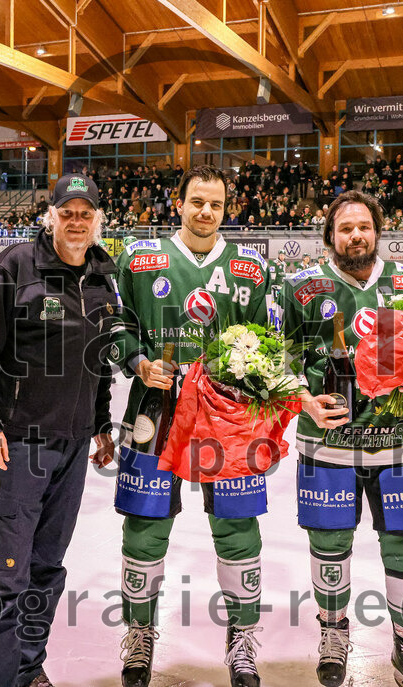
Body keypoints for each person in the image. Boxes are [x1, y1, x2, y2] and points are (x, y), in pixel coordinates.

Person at [111, 165, 271, 687]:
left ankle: (242, 640)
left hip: (227, 416)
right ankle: (139, 638)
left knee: (237, 525)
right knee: (144, 526)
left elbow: (266, 344)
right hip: (154, 411)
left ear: (228, 210)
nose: (206, 212)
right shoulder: (139, 259)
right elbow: (116, 327)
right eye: (196, 202)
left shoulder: (251, 267)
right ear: (177, 204)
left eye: (216, 205)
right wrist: (137, 362)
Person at [0, 173, 118, 687]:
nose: (75, 220)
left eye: (84, 212)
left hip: (73, 448)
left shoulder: (101, 273)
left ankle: (28, 669)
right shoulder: (16, 266)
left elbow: (99, 360)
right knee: (7, 575)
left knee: (47, 570)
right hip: (20, 446)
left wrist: (99, 424)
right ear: (50, 216)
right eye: (66, 212)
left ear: (96, 221)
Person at [280, 190, 403, 687]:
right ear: (330, 234)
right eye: (346, 227)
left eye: (364, 227)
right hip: (326, 445)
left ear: (378, 231)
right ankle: (333, 636)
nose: (356, 235)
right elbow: (281, 360)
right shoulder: (301, 287)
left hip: (400, 443)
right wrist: (302, 398)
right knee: (329, 544)